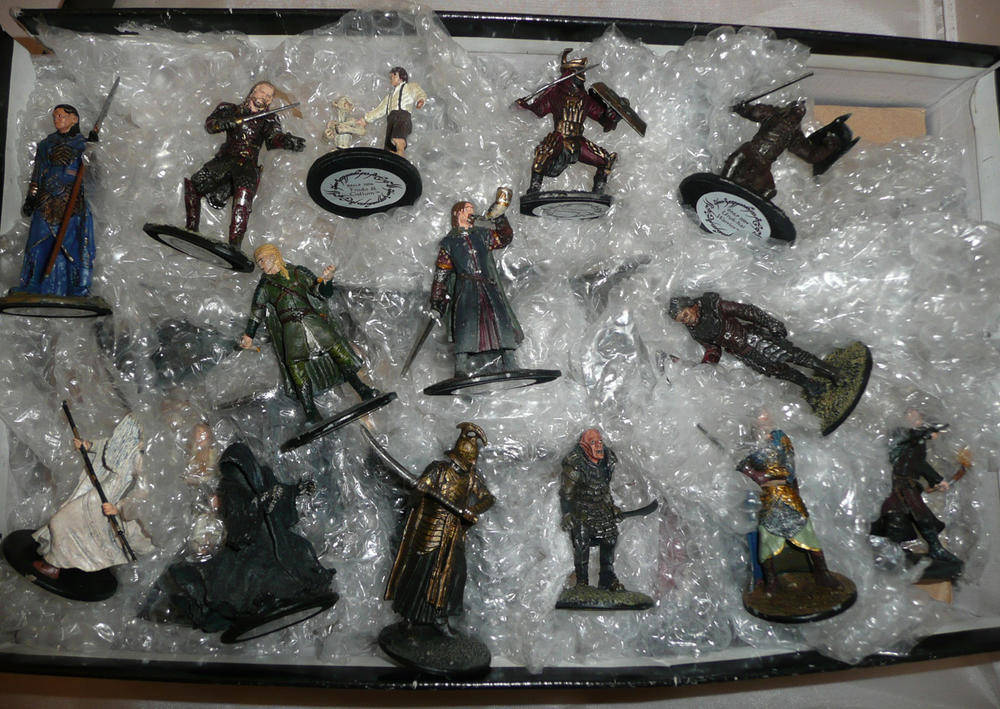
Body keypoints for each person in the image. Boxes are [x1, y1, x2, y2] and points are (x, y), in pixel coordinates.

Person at [141, 442, 335, 635]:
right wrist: (253, 510)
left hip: (267, 544)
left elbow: (281, 500)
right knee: (243, 580)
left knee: (283, 564)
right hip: (250, 550)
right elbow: (238, 530)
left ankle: (281, 594)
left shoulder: (263, 483)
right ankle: (265, 599)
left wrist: (294, 492)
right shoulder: (230, 492)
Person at [239, 243, 380, 422]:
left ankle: (362, 389)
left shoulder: (299, 272)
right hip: (291, 328)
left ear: (273, 256)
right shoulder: (265, 286)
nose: (260, 265)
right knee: (295, 366)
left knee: (339, 352)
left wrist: (327, 280)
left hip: (312, 321)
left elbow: (320, 292)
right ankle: (310, 411)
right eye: (258, 262)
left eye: (261, 260)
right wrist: (249, 335)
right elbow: (257, 311)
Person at [385, 422, 495, 634]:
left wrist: (471, 510)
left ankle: (440, 618)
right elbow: (417, 494)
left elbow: (488, 498)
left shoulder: (471, 478)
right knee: (421, 571)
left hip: (453, 533)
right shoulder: (438, 469)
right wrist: (420, 489)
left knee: (455, 575)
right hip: (430, 530)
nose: (464, 466)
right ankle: (409, 618)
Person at [184, 81, 305, 247]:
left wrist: (286, 141)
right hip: (226, 159)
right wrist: (224, 122)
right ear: (253, 92)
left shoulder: (269, 119)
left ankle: (235, 245)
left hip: (248, 163)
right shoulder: (229, 109)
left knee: (243, 195)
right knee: (195, 183)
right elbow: (211, 125)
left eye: (269, 96)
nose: (265, 97)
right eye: (262, 92)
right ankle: (191, 229)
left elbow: (273, 138)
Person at [32, 414, 153, 579]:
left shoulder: (140, 456)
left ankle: (54, 565)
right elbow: (107, 445)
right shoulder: (123, 442)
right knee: (69, 523)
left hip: (106, 497)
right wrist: (88, 445)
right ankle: (55, 561)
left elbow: (142, 490)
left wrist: (119, 508)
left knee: (61, 521)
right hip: (98, 486)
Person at [668, 291, 839, 399]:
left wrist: (771, 323)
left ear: (692, 306)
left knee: (793, 355)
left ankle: (831, 371)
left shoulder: (712, 306)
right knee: (777, 371)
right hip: (744, 353)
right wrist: (706, 365)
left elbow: (746, 311)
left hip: (754, 337)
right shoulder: (696, 331)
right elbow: (712, 349)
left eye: (685, 315)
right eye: (682, 320)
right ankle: (810, 385)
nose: (686, 321)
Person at [737, 416, 839, 593]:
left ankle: (822, 573)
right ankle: (771, 581)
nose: (765, 421)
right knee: (767, 540)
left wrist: (773, 476)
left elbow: (790, 465)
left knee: (806, 531)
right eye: (760, 418)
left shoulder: (780, 438)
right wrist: (751, 473)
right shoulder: (750, 443)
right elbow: (743, 464)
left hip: (787, 494)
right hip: (768, 498)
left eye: (767, 417)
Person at [430, 201, 523, 377]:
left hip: (488, 286)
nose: (471, 213)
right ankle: (461, 368)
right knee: (465, 324)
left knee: (500, 320)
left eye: (472, 209)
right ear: (458, 214)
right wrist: (436, 301)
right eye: (468, 210)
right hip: (466, 289)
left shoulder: (482, 235)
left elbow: (504, 238)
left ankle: (510, 361)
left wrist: (499, 218)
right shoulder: (449, 243)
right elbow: (441, 274)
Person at [12, 105, 95, 297]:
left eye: (61, 115)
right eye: (55, 116)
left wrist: (93, 150)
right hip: (46, 199)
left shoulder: (84, 145)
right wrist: (31, 198)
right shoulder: (46, 144)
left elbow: (93, 174)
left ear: (74, 119)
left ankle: (77, 287)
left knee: (72, 243)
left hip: (71, 200)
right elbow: (37, 174)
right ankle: (33, 283)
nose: (57, 119)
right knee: (38, 241)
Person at [515, 49, 621, 194]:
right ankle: (534, 190)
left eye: (582, 72)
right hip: (560, 137)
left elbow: (603, 118)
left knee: (606, 160)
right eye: (578, 72)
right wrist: (523, 107)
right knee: (541, 158)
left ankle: (598, 194)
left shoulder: (585, 98)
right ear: (569, 74)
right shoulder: (554, 93)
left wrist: (612, 116)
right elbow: (537, 110)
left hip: (577, 140)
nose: (582, 76)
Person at [870, 409, 967, 565]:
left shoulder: (917, 443)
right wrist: (925, 433)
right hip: (895, 483)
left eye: (919, 419)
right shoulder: (900, 434)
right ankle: (895, 550)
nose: (917, 421)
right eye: (913, 417)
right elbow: (907, 438)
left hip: (906, 484)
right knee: (896, 516)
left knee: (917, 515)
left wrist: (937, 480)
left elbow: (920, 463)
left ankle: (934, 548)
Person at [722, 100, 849, 200]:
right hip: (753, 150)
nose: (794, 117)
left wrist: (828, 147)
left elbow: (810, 155)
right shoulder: (772, 114)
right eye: (795, 111)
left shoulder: (795, 135)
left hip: (765, 162)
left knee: (769, 189)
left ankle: (756, 206)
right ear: (788, 109)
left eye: (799, 114)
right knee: (736, 159)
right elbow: (754, 112)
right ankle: (723, 182)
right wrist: (742, 108)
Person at [560, 428, 625, 591]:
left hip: (601, 508)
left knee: (610, 539)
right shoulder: (575, 464)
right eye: (593, 442)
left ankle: (607, 578)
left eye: (600, 442)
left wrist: (612, 507)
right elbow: (567, 493)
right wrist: (567, 513)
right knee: (582, 541)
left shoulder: (607, 461)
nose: (598, 446)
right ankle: (582, 582)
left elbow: (604, 488)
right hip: (581, 509)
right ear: (584, 446)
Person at [361, 67, 426, 157]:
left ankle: (400, 152)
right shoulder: (390, 96)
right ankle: (389, 157)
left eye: (394, 76)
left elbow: (419, 92)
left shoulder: (409, 87)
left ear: (401, 77)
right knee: (389, 141)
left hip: (402, 115)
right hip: (391, 118)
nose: (391, 79)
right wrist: (366, 119)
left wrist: (420, 100)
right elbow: (380, 109)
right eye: (391, 77)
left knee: (398, 136)